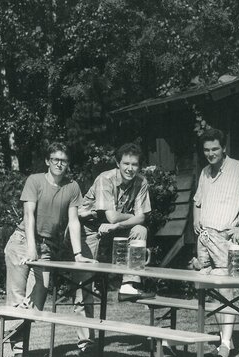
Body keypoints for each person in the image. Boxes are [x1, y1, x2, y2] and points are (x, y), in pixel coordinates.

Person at [0, 142, 95, 357]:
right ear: (48, 161)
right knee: (17, 301)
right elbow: (29, 215)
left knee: (35, 303)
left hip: (48, 248)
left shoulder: (72, 187)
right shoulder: (35, 181)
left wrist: (79, 254)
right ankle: (18, 353)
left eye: (64, 160)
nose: (60, 164)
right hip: (22, 242)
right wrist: (32, 248)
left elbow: (74, 221)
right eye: (55, 159)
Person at [73, 143, 154, 351]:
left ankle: (130, 283)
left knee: (140, 231)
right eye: (125, 163)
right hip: (89, 228)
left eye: (134, 164)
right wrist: (126, 219)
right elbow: (111, 215)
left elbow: (141, 218)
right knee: (86, 284)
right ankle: (86, 343)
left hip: (114, 228)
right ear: (117, 163)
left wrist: (119, 224)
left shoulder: (141, 182)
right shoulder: (105, 179)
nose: (130, 168)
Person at [192, 128, 239, 357]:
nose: (210, 153)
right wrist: (196, 221)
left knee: (226, 288)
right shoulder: (205, 172)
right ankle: (225, 341)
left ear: (224, 148)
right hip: (205, 239)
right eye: (207, 150)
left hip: (224, 238)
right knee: (215, 291)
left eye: (215, 149)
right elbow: (197, 201)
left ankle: (226, 344)